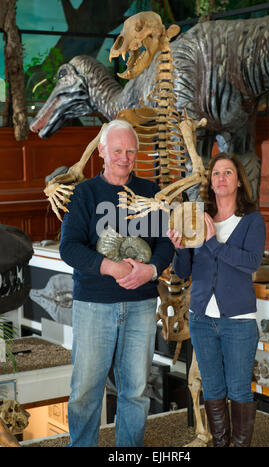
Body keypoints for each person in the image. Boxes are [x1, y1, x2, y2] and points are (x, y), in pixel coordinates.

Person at [59, 119, 174, 447]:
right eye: (118, 150)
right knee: (85, 392)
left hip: (141, 305)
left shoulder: (151, 192)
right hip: (94, 305)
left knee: (136, 392)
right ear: (102, 152)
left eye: (131, 151)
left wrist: (150, 270)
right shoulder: (85, 193)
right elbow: (69, 247)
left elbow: (165, 243)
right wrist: (108, 266)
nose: (125, 157)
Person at [168, 152, 265, 447]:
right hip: (200, 320)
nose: (220, 178)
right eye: (215, 174)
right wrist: (180, 248)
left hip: (238, 322)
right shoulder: (198, 218)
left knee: (238, 390)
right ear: (210, 183)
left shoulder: (252, 220)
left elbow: (250, 263)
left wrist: (213, 243)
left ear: (238, 182)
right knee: (212, 388)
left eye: (227, 173)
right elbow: (183, 272)